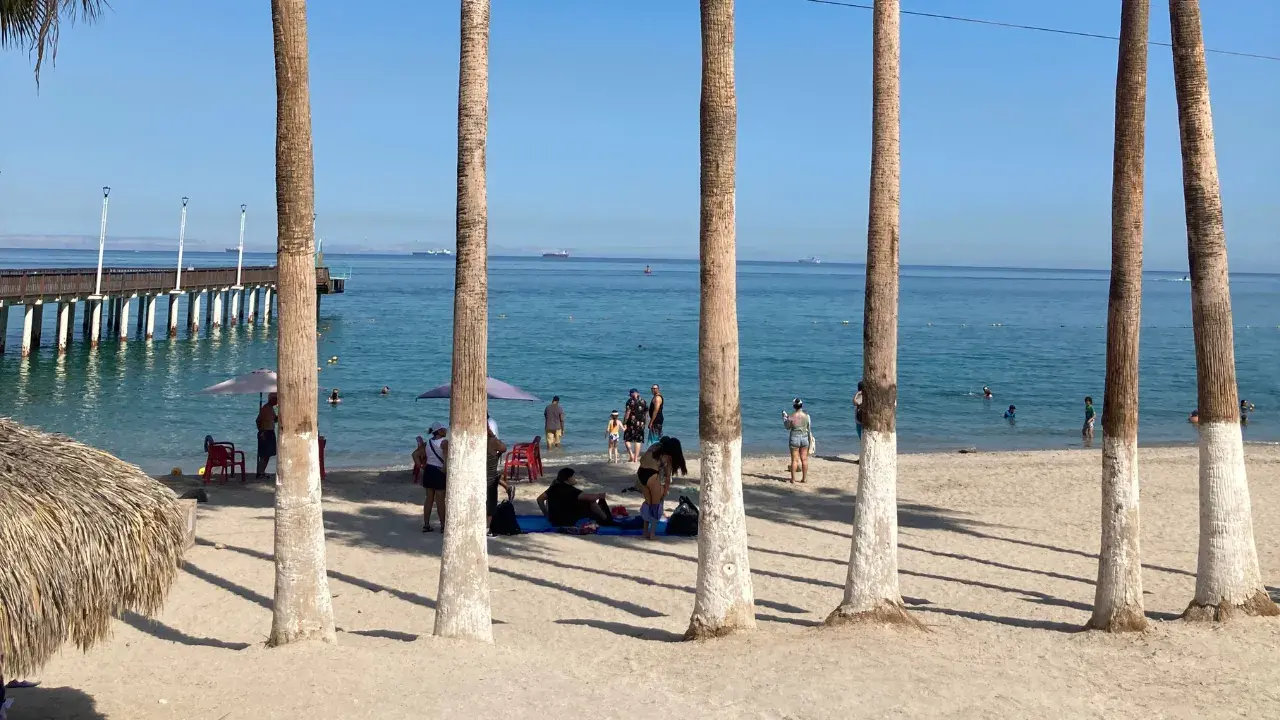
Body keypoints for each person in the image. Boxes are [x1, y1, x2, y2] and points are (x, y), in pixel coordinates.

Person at [636, 436, 688, 540]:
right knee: (656, 505)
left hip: (640, 473)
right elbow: (668, 477)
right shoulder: (668, 457)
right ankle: (652, 534)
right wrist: (665, 491)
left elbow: (642, 459)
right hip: (652, 475)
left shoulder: (654, 447)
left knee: (648, 503)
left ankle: (645, 532)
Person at [537, 468, 610, 527]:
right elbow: (591, 498)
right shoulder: (572, 490)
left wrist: (546, 514)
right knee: (591, 501)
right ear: (568, 479)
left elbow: (539, 499)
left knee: (548, 499)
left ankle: (604, 518)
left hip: (554, 521)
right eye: (573, 477)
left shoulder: (552, 488)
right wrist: (599, 496)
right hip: (568, 522)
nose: (574, 478)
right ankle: (606, 520)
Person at [422, 423, 448, 532]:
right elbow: (446, 457)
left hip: (429, 470)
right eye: (443, 429)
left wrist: (421, 466)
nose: (446, 430)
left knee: (429, 499)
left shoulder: (428, 442)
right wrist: (445, 469)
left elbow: (415, 454)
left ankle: (426, 524)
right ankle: (443, 526)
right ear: (439, 431)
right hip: (439, 471)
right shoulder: (444, 442)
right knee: (440, 500)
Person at [485, 424, 509, 532]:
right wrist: (492, 434)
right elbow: (503, 448)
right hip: (490, 476)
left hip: (478, 475)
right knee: (490, 503)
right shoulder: (491, 441)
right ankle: (487, 528)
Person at [783, 399, 812, 484]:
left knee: (794, 460)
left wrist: (785, 418)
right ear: (801, 405)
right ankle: (804, 478)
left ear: (794, 406)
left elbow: (787, 427)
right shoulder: (807, 416)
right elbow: (808, 427)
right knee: (804, 459)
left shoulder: (792, 416)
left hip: (794, 437)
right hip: (804, 437)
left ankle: (793, 479)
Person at [255, 393, 278, 479]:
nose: (277, 401)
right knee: (264, 454)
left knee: (268, 454)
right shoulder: (265, 408)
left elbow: (274, 420)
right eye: (276, 399)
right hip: (265, 432)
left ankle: (262, 471)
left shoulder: (271, 408)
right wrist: (261, 431)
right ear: (271, 399)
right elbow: (258, 420)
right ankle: (260, 472)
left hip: (270, 431)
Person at [623, 388, 649, 462]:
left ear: (631, 394)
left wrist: (624, 422)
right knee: (638, 440)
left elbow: (628, 413)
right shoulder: (643, 401)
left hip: (631, 423)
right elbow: (646, 413)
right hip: (641, 423)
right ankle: (636, 458)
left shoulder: (629, 401)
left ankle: (631, 455)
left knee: (627, 439)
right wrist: (646, 422)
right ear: (638, 393)